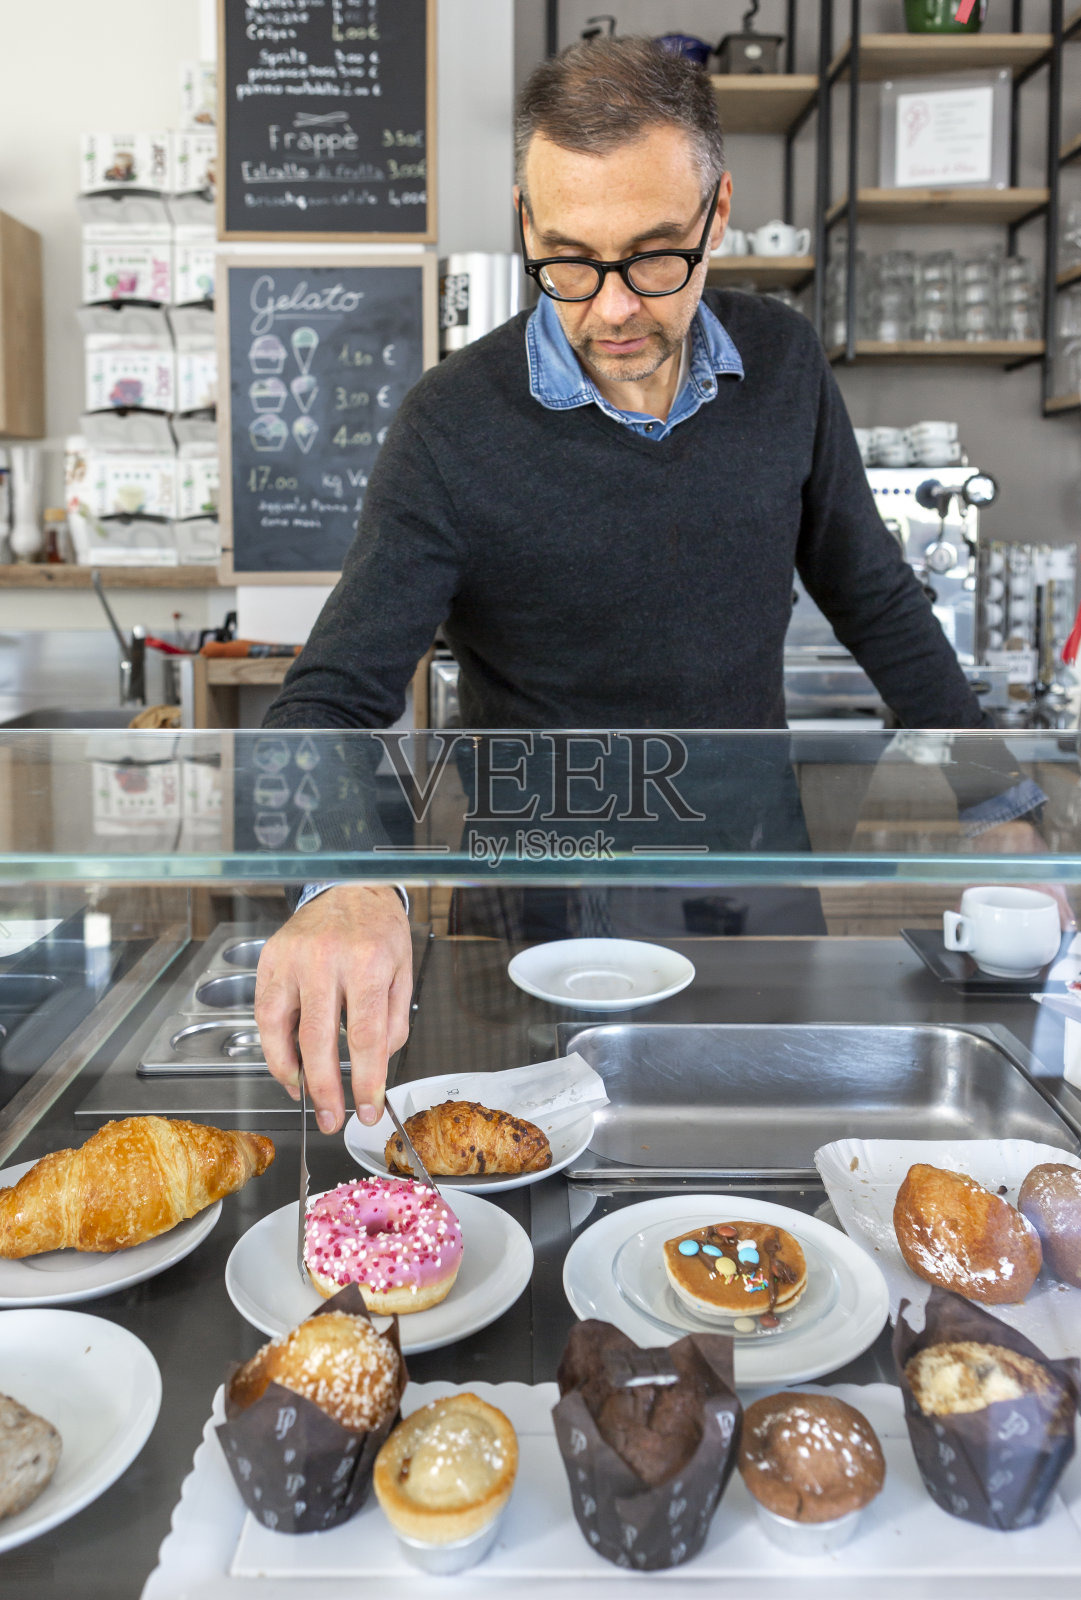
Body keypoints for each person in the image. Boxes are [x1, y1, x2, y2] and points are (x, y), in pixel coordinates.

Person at [254, 36, 1050, 1137]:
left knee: (771, 1157)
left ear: (718, 212)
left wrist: (996, 803)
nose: (611, 308)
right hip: (537, 899)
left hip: (756, 882)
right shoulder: (450, 423)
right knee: (546, 1180)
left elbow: (874, 595)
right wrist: (345, 879)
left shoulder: (783, 366)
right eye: (568, 260)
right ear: (527, 222)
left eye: (653, 257)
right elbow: (330, 698)